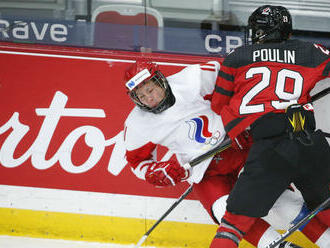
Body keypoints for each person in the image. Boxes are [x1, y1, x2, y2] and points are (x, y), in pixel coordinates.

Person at [123, 59, 329, 247]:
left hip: (239, 150)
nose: (149, 99)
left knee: (282, 203)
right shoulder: (137, 125)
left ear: (160, 80)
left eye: (150, 90)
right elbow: (137, 162)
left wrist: (244, 113)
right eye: (141, 96)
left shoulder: (193, 79)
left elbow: (237, 78)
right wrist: (158, 172)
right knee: (225, 213)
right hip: (204, 172)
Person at [210, 5, 330, 248]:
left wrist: (238, 127)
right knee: (325, 205)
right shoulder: (309, 52)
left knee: (233, 224)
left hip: (269, 148)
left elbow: (218, 105)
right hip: (307, 140)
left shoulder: (237, 58)